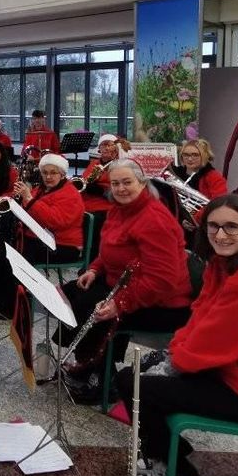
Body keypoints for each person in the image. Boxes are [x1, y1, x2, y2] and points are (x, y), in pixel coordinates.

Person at [118, 194, 238, 476]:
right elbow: (199, 320)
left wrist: (173, 363)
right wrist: (173, 352)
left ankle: (176, 468)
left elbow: (215, 343)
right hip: (227, 371)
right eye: (213, 227)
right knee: (134, 375)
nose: (220, 235)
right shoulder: (225, 266)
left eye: (232, 227)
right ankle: (167, 447)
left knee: (135, 384)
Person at [68, 159, 192, 401]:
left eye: (127, 182)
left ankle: (98, 377)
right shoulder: (118, 209)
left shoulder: (155, 219)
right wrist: (94, 269)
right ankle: (91, 364)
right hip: (123, 284)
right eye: (116, 183)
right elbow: (109, 250)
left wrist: (120, 303)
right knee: (73, 292)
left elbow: (162, 280)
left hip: (163, 303)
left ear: (143, 183)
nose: (121, 189)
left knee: (93, 309)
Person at [0, 153, 84, 318]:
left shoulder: (70, 194)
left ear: (62, 174)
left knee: (16, 256)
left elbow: (54, 221)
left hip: (63, 245)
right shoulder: (41, 189)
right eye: (45, 172)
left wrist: (28, 198)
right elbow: (28, 211)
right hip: (38, 239)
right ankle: (5, 301)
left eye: (53, 173)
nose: (48, 176)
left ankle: (17, 305)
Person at [80, 134, 129, 258]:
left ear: (116, 148)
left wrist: (101, 190)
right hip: (87, 204)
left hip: (107, 206)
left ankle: (92, 257)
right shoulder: (95, 164)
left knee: (95, 224)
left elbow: (121, 190)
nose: (106, 148)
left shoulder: (120, 165)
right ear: (99, 149)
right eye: (103, 145)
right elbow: (83, 181)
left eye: (109, 145)